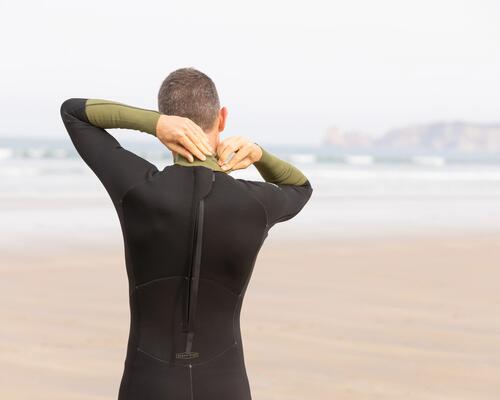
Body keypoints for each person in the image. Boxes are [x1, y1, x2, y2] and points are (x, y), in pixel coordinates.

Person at [60, 67, 313, 400]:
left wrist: (153, 123)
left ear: (168, 122)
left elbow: (73, 113)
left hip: (147, 382)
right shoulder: (255, 203)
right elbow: (300, 186)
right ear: (222, 119)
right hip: (226, 383)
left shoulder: (138, 189)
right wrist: (259, 155)